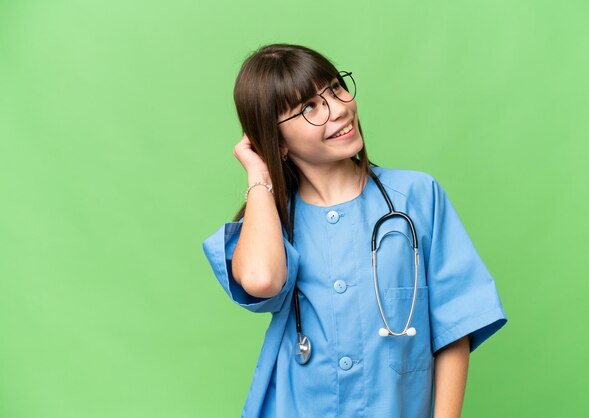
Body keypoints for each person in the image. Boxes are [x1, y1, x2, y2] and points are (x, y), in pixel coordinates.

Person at [202, 43, 507, 418]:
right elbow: (262, 280)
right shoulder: (272, 220)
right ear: (277, 142)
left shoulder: (417, 196)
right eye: (309, 107)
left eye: (334, 88)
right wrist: (258, 172)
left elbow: (454, 326)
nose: (339, 109)